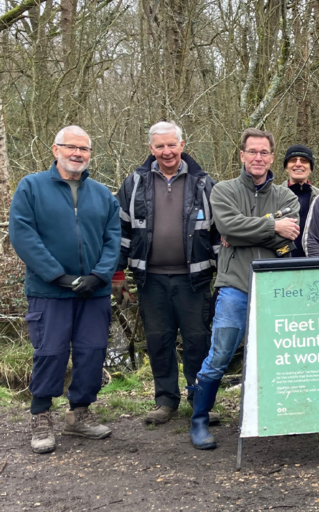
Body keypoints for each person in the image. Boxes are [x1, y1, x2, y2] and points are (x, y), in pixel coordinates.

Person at [9, 125, 121, 454]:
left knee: (92, 351)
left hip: (93, 292)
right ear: (55, 150)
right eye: (70, 147)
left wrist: (99, 276)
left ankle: (79, 413)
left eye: (84, 149)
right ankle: (41, 415)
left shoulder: (102, 194)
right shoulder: (31, 187)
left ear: (90, 154)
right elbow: (22, 235)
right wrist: (57, 276)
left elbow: (113, 239)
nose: (77, 154)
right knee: (50, 352)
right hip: (49, 291)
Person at [189, 128, 300, 450]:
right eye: (252, 152)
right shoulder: (223, 190)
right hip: (234, 286)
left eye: (264, 152)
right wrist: (270, 224)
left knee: (274, 357)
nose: (258, 158)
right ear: (242, 155)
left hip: (275, 288)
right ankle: (199, 419)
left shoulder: (286, 196)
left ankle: (271, 417)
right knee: (220, 353)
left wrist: (247, 231)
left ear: (271, 157)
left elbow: (288, 235)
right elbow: (227, 226)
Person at [114, 121, 220, 426]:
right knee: (159, 341)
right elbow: (120, 231)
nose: (167, 151)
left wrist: (223, 276)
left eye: (172, 145)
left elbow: (217, 235)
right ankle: (165, 400)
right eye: (160, 146)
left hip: (195, 279)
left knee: (197, 341)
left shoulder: (204, 183)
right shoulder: (134, 184)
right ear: (151, 149)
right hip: (151, 279)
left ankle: (200, 400)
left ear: (182, 145)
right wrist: (117, 274)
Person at [282, 144, 319, 257]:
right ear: (286, 167)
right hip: (280, 263)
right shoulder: (273, 195)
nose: (298, 164)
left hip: (313, 263)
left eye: (304, 161)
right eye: (293, 160)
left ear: (311, 168)